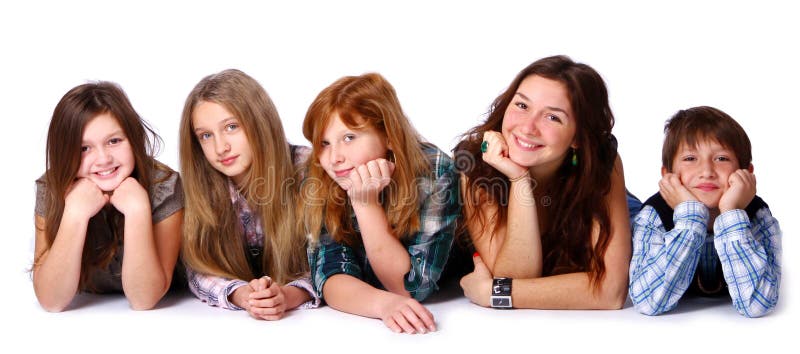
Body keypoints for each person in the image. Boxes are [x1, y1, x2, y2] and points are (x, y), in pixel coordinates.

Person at [456, 55, 633, 309]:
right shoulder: (475, 162)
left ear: (578, 138)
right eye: (522, 105)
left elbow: (611, 292)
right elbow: (515, 275)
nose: (528, 127)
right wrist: (519, 178)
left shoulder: (602, 162)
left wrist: (492, 293)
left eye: (553, 117)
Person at [301, 73, 460, 334]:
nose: (334, 158)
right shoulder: (320, 175)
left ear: (388, 136)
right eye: (324, 143)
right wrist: (382, 304)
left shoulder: (435, 171)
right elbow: (329, 274)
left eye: (349, 138)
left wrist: (366, 205)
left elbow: (411, 287)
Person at [179, 69, 318, 320]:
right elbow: (198, 266)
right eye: (206, 135)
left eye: (231, 127)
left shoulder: (305, 169)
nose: (221, 148)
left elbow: (331, 258)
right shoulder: (201, 186)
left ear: (259, 122)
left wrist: (289, 295)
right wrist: (243, 295)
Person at [33, 82, 184, 312]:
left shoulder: (165, 186)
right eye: (84, 148)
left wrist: (137, 210)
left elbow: (144, 299)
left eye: (114, 141)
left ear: (133, 141)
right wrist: (74, 214)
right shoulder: (51, 187)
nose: (103, 159)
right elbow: (51, 301)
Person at [628, 106, 781, 317]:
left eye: (722, 159)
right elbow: (648, 303)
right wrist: (690, 218)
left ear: (746, 172)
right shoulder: (653, 216)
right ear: (668, 175)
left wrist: (730, 213)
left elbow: (757, 304)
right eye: (690, 158)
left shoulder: (758, 215)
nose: (707, 172)